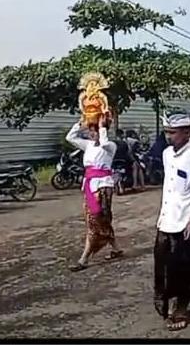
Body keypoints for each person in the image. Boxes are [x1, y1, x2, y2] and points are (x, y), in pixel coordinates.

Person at [153, 111, 190, 331]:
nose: (169, 136)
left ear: (187, 132)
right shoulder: (167, 154)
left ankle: (181, 307)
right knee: (162, 264)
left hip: (185, 222)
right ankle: (163, 301)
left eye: (173, 133)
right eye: (166, 132)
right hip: (166, 219)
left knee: (183, 267)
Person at [65, 114, 123, 272]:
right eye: (91, 131)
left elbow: (104, 143)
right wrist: (81, 123)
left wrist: (103, 126)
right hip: (89, 186)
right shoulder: (88, 145)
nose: (92, 134)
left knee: (97, 220)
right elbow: (70, 137)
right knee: (98, 221)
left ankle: (84, 259)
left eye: (95, 131)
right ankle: (116, 249)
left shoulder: (110, 146)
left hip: (103, 187)